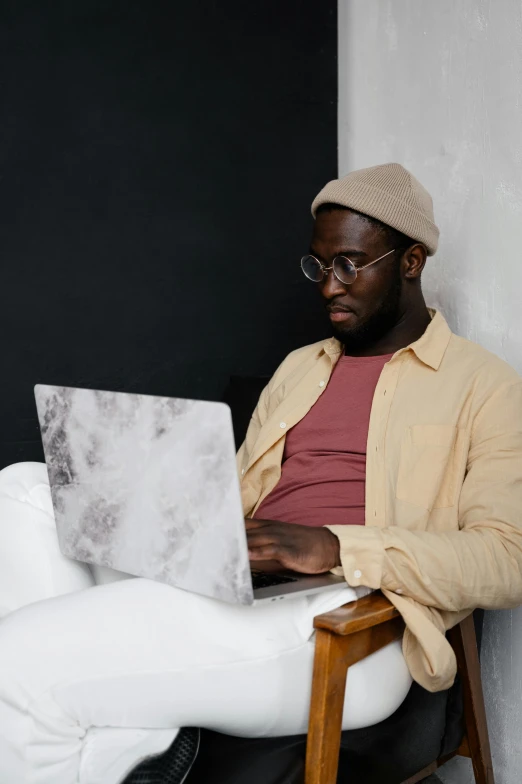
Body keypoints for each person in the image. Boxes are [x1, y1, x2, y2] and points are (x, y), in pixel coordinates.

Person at [0, 162, 521, 784]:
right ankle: (115, 718)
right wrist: (174, 520)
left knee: (16, 662)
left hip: (347, 617)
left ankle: (77, 699)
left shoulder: (483, 386)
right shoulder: (300, 368)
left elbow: (505, 559)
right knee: (24, 485)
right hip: (246, 580)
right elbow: (242, 495)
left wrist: (334, 543)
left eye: (350, 264)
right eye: (319, 265)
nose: (329, 287)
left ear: (410, 262)